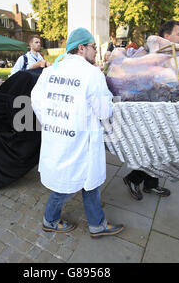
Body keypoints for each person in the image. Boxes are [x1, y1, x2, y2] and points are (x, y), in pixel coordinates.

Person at [31, 27, 124, 238]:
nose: (95, 52)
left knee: (85, 181)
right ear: (81, 48)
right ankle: (50, 219)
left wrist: (53, 122)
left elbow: (36, 100)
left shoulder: (50, 71)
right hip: (81, 142)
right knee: (68, 184)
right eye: (92, 47)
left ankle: (96, 224)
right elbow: (103, 111)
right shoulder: (92, 74)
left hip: (59, 138)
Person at [121, 21, 179, 200]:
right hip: (152, 114)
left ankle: (151, 184)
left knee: (161, 152)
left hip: (164, 112)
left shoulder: (169, 56)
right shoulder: (154, 57)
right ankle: (133, 179)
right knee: (155, 152)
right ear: (166, 36)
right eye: (178, 34)